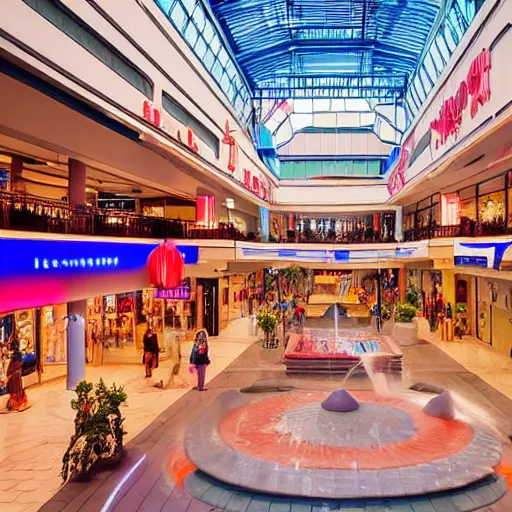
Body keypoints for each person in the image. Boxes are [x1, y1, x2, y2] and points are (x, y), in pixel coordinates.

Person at [6, 338, 29, 412]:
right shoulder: (18, 355)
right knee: (18, 389)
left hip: (14, 375)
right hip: (17, 375)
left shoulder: (14, 356)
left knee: (14, 390)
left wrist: (9, 374)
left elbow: (11, 367)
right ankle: (19, 403)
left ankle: (16, 404)